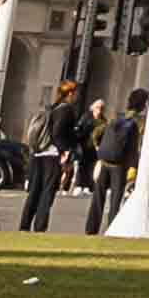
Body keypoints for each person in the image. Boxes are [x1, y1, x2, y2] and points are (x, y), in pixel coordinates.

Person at [26, 79, 90, 234]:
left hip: (38, 153)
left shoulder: (52, 107)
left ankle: (24, 224)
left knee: (34, 191)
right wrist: (67, 148)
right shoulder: (66, 110)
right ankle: (40, 227)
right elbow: (59, 133)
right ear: (70, 93)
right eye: (76, 93)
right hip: (53, 154)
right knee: (47, 192)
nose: (77, 96)